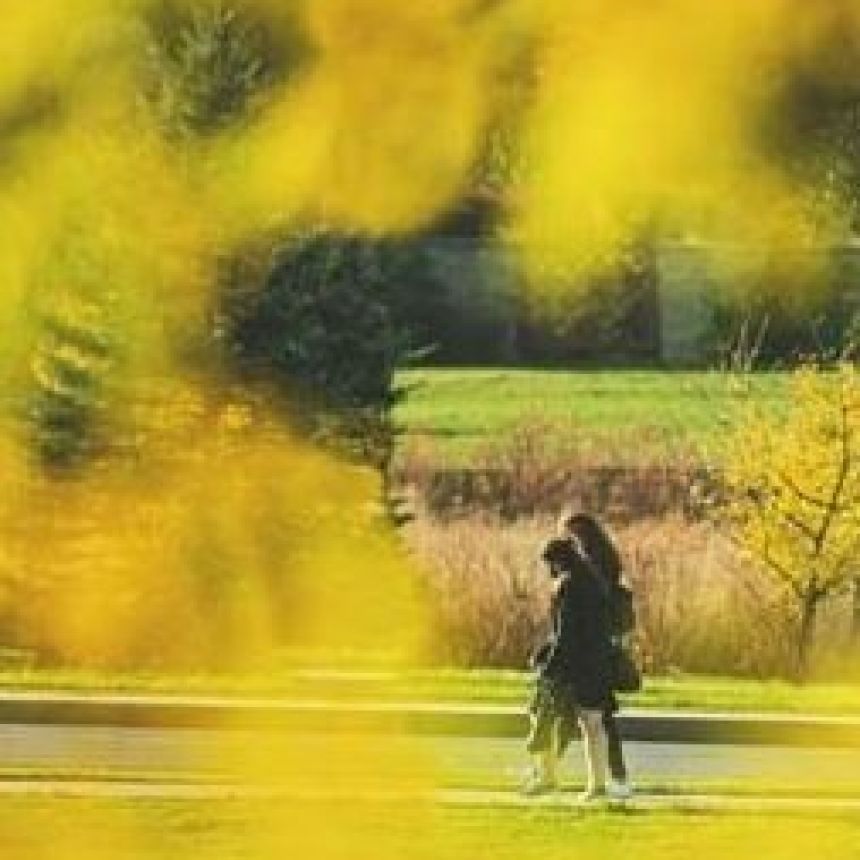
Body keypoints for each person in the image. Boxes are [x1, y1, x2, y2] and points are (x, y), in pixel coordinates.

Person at [522, 535, 613, 801]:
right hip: (596, 661)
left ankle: (547, 777)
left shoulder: (567, 586)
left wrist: (550, 665)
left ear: (557, 561)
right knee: (593, 724)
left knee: (543, 717)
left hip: (571, 665)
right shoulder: (595, 583)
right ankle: (598, 784)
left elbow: (566, 633)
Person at [560, 512, 635, 799]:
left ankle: (612, 777)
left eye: (571, 535)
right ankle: (612, 777)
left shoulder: (590, 570)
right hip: (603, 649)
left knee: (592, 717)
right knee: (594, 717)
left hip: (593, 652)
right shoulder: (606, 562)